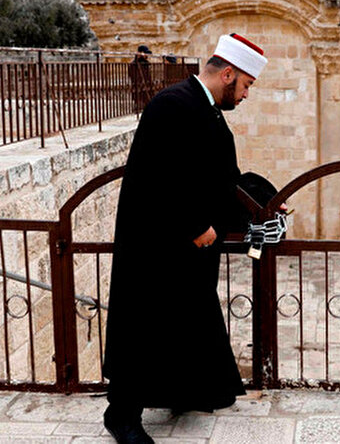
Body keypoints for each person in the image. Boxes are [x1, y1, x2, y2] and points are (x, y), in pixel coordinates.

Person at [102, 33, 268, 444]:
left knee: (183, 320)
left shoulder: (207, 112)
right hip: (155, 247)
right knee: (146, 325)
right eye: (246, 85)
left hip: (188, 249)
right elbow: (158, 179)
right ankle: (120, 415)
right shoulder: (172, 105)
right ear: (227, 73)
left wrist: (264, 202)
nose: (246, 95)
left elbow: (224, 179)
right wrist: (195, 225)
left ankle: (184, 391)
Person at [128, 45, 153, 113]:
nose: (146, 55)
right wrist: (138, 56)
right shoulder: (134, 64)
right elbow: (133, 75)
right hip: (138, 86)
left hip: (146, 86)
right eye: (145, 53)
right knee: (139, 102)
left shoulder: (146, 63)